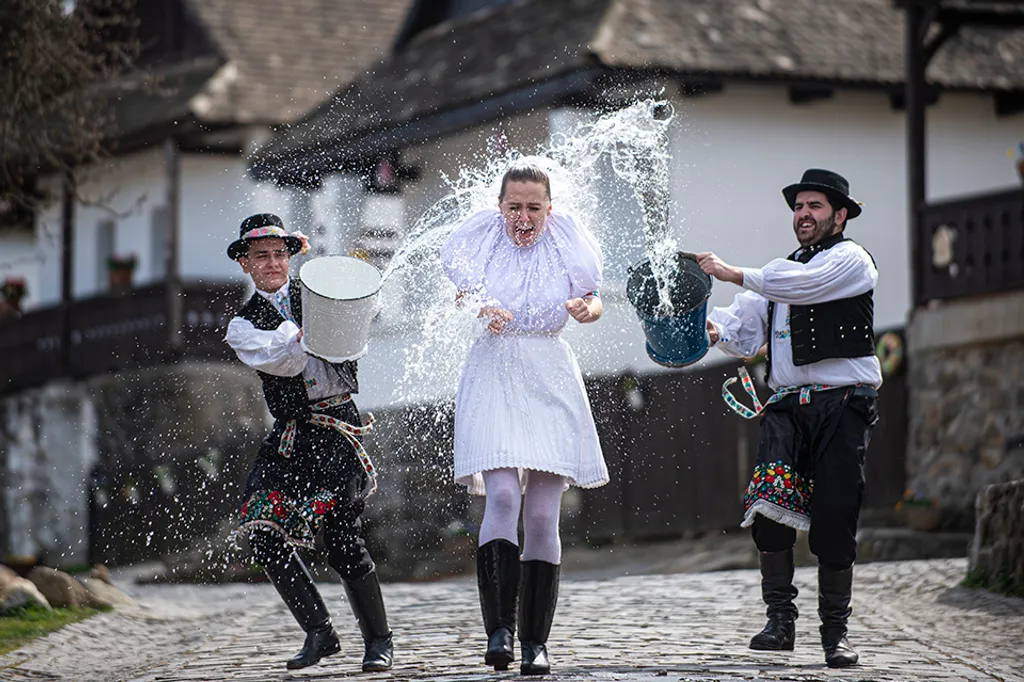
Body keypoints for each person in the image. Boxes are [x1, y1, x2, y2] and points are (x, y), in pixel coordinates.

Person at [695, 169, 881, 669]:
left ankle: (835, 635)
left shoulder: (852, 261)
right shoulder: (777, 273)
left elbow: (807, 284)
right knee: (769, 509)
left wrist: (734, 271)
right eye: (799, 207)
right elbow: (741, 331)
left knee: (836, 514)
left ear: (840, 215)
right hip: (787, 407)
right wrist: (702, 327)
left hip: (844, 403)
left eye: (815, 206)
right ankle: (780, 623)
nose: (804, 214)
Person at [440, 161, 608, 676]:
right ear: (501, 206)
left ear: (549, 208)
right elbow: (461, 291)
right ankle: (500, 633)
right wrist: (480, 308)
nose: (524, 217)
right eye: (515, 206)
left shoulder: (568, 240)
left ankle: (536, 642)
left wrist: (587, 310)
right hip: (493, 369)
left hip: (549, 372)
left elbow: (594, 299)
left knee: (540, 513)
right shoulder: (482, 237)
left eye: (534, 207)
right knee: (504, 496)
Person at [224, 213, 393, 673]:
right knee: (262, 530)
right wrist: (306, 333)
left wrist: (335, 314)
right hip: (293, 434)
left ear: (290, 256)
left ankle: (379, 641)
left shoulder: (318, 293)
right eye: (262, 256)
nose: (274, 263)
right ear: (245, 264)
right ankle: (319, 631)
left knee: (341, 540)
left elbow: (354, 338)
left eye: (280, 254)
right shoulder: (242, 326)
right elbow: (287, 362)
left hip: (338, 427)